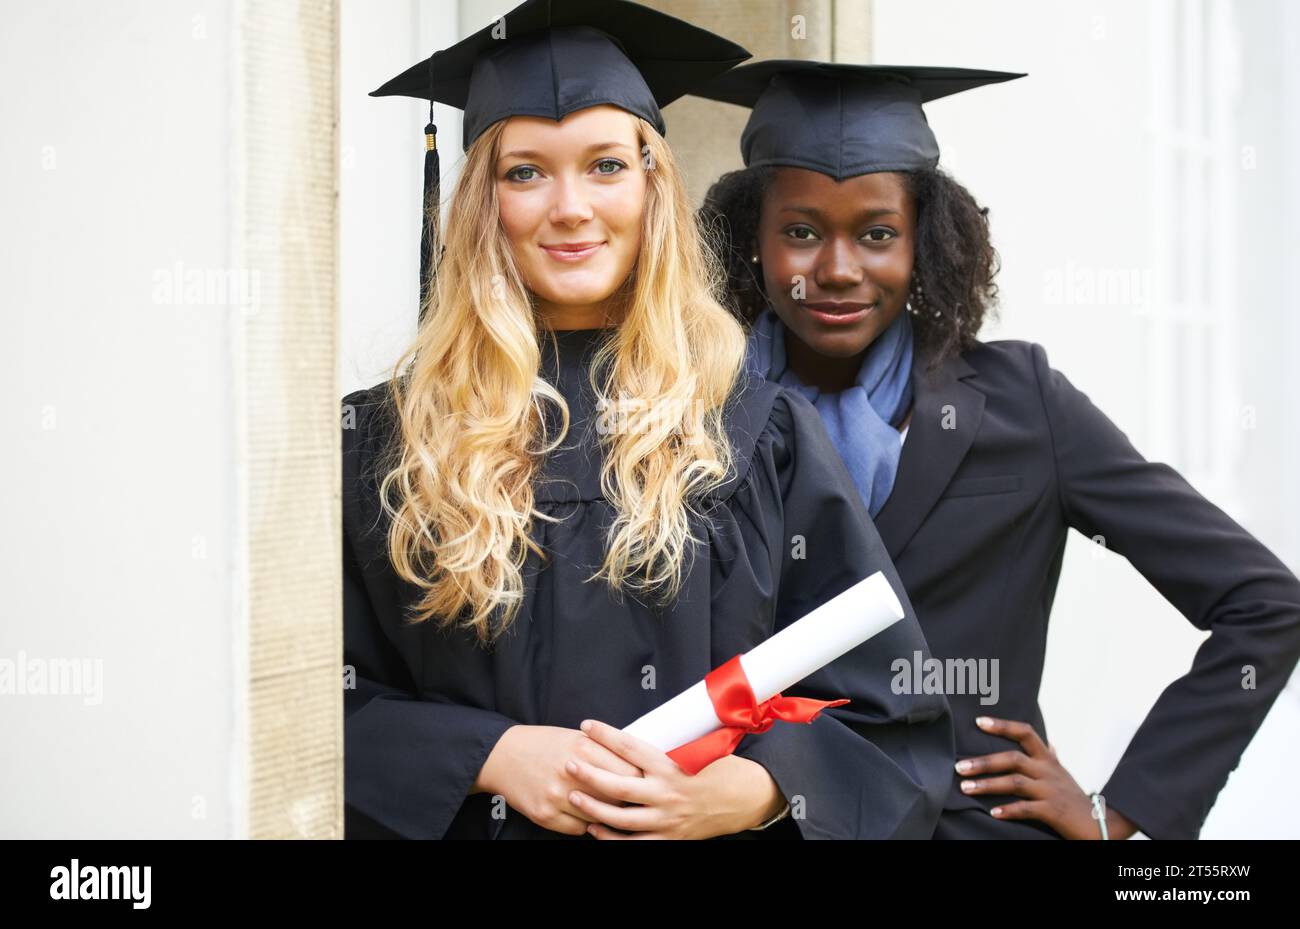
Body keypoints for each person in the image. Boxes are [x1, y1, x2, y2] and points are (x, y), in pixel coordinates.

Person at [343, 2, 954, 840]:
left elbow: (891, 711)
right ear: (482, 200)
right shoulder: (388, 440)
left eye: (604, 166)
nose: (569, 207)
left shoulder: (749, 427)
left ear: (652, 186)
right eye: (525, 172)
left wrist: (750, 791)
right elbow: (316, 701)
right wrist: (488, 754)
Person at [696, 60, 1300, 839]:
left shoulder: (1022, 404)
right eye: (802, 232)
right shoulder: (700, 418)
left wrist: (1120, 812)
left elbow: (1266, 603)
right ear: (753, 241)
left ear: (926, 241)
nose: (838, 269)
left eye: (878, 233)